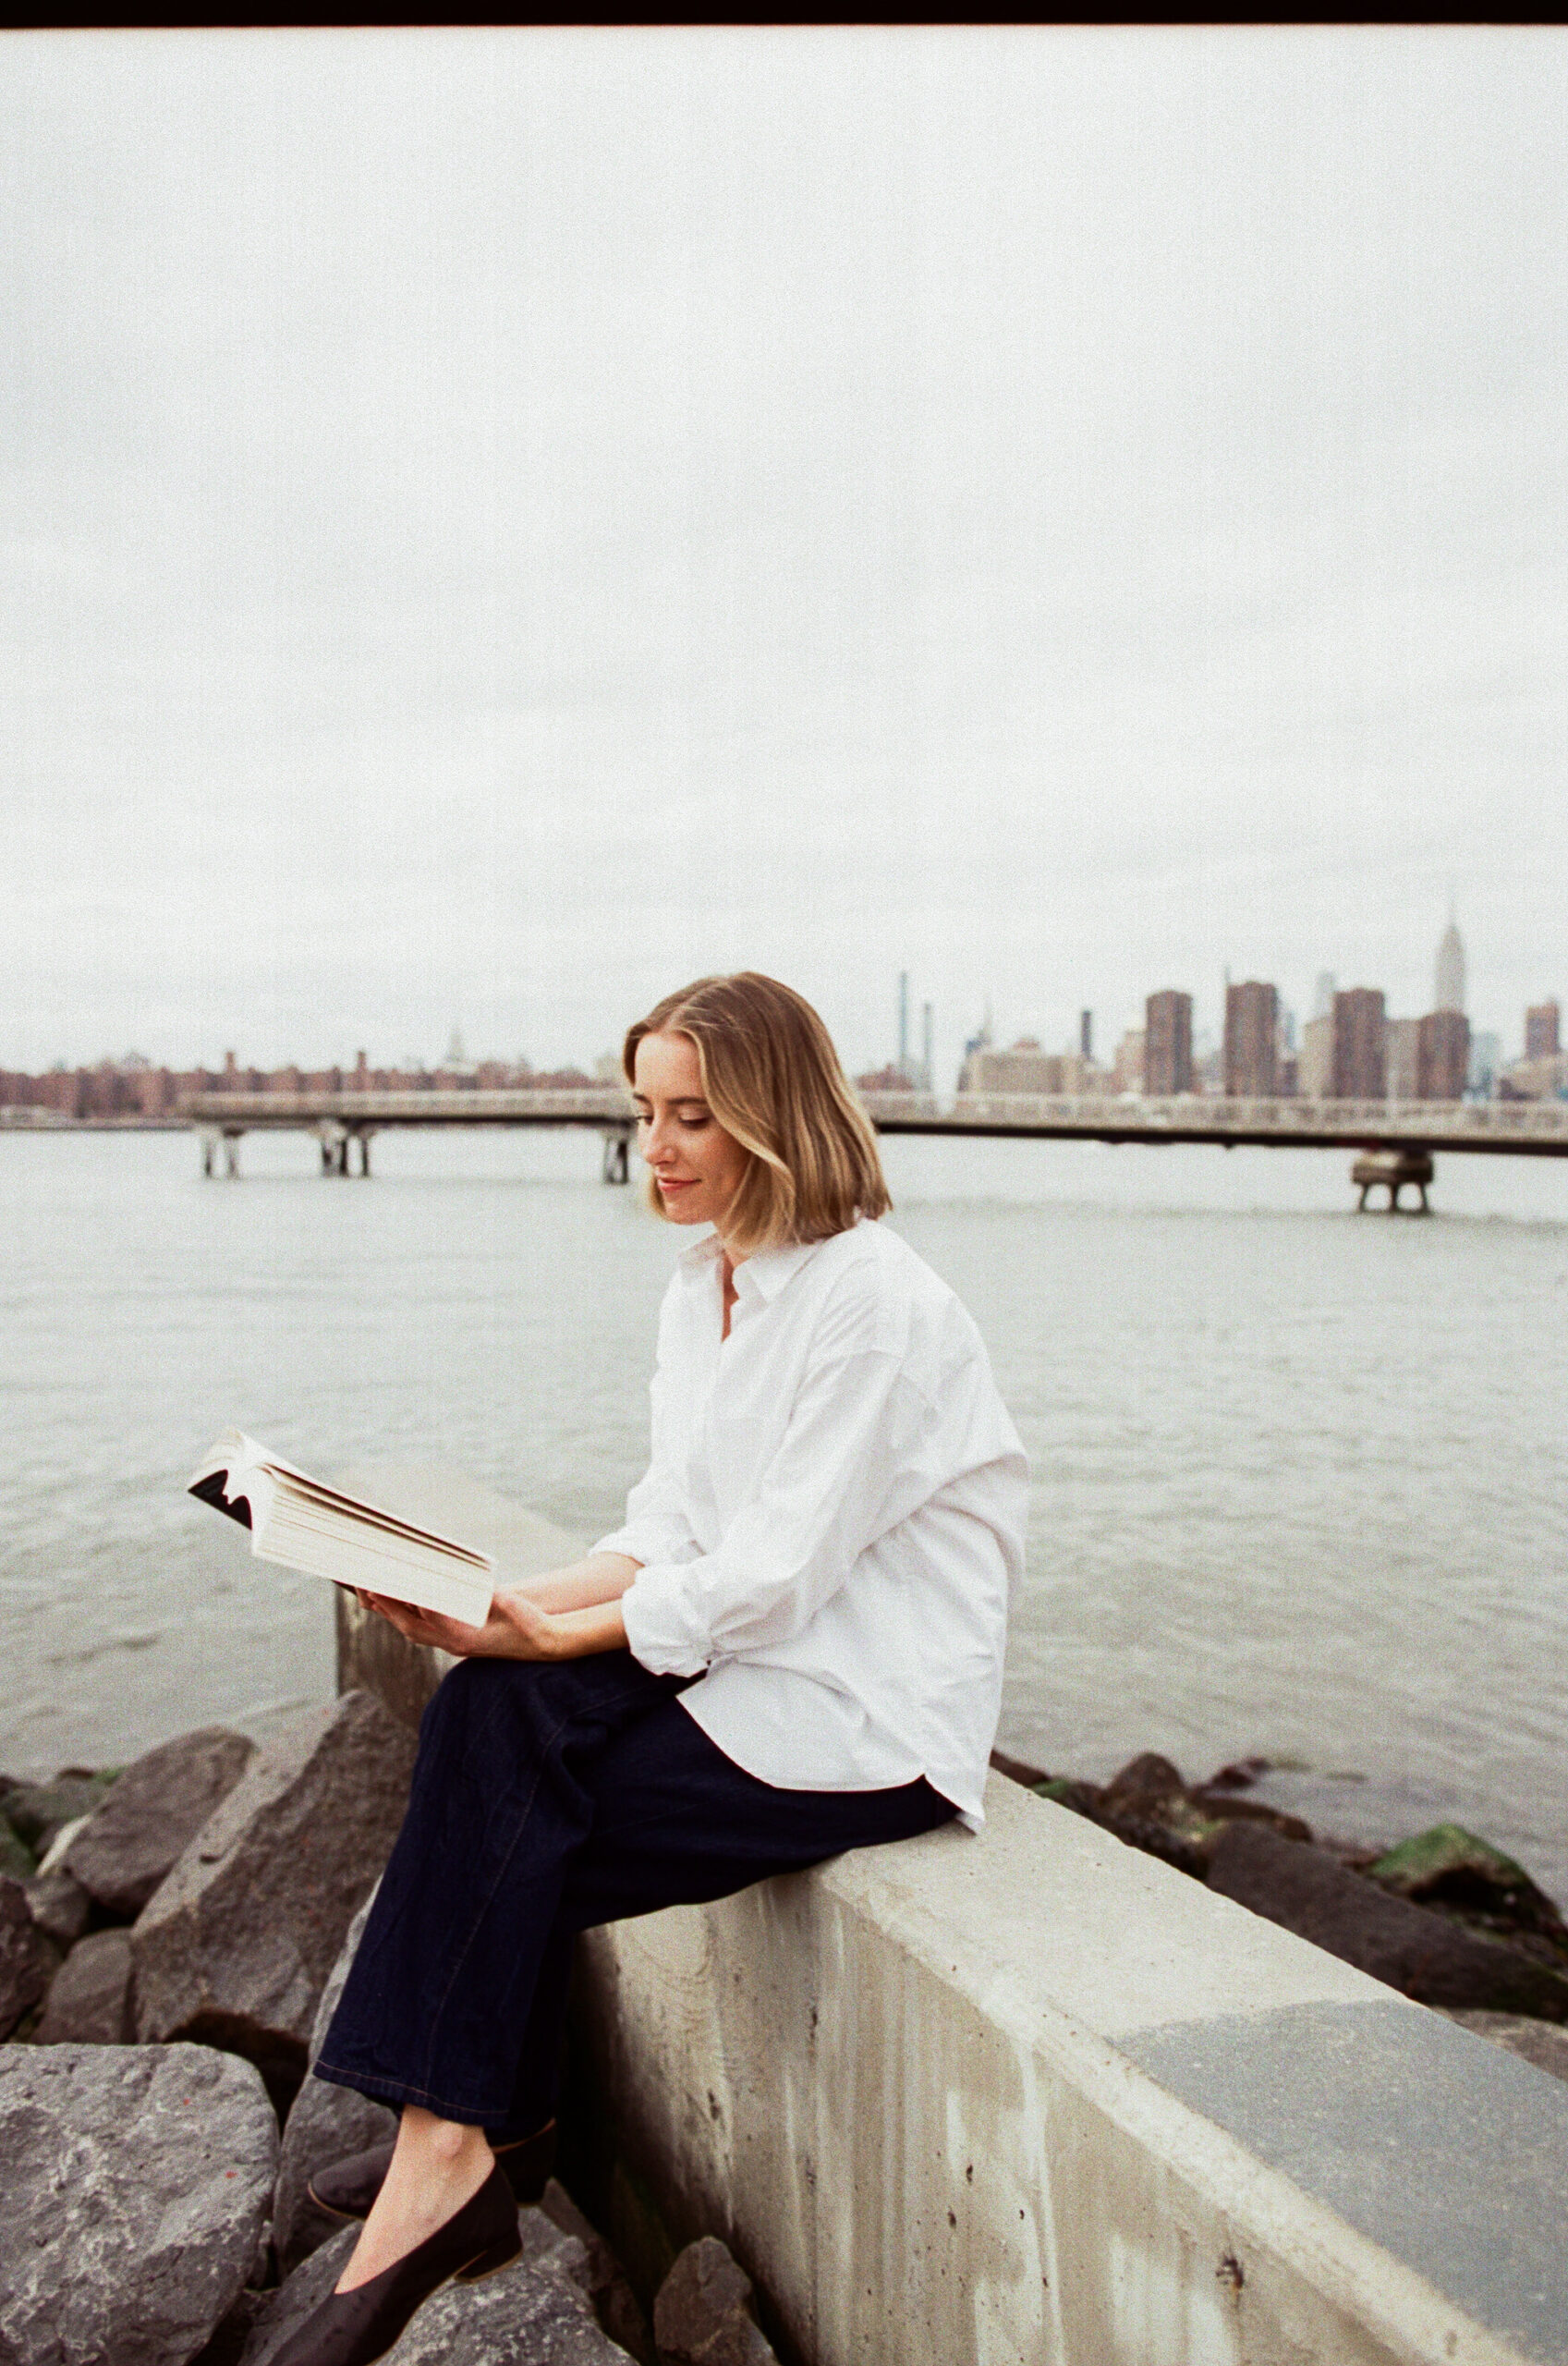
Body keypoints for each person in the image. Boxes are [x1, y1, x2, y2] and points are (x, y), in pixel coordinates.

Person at [274, 971, 1027, 2366]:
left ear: (775, 1114)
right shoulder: (708, 1285)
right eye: (644, 1111)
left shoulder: (869, 1300)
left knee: (508, 1814)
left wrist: (552, 1634)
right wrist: (495, 1602)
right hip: (750, 1656)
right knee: (492, 1705)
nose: (657, 1146)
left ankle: (454, 2160)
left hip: (859, 1709)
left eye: (695, 1114)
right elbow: (673, 1530)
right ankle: (466, 2142)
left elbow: (776, 1573)